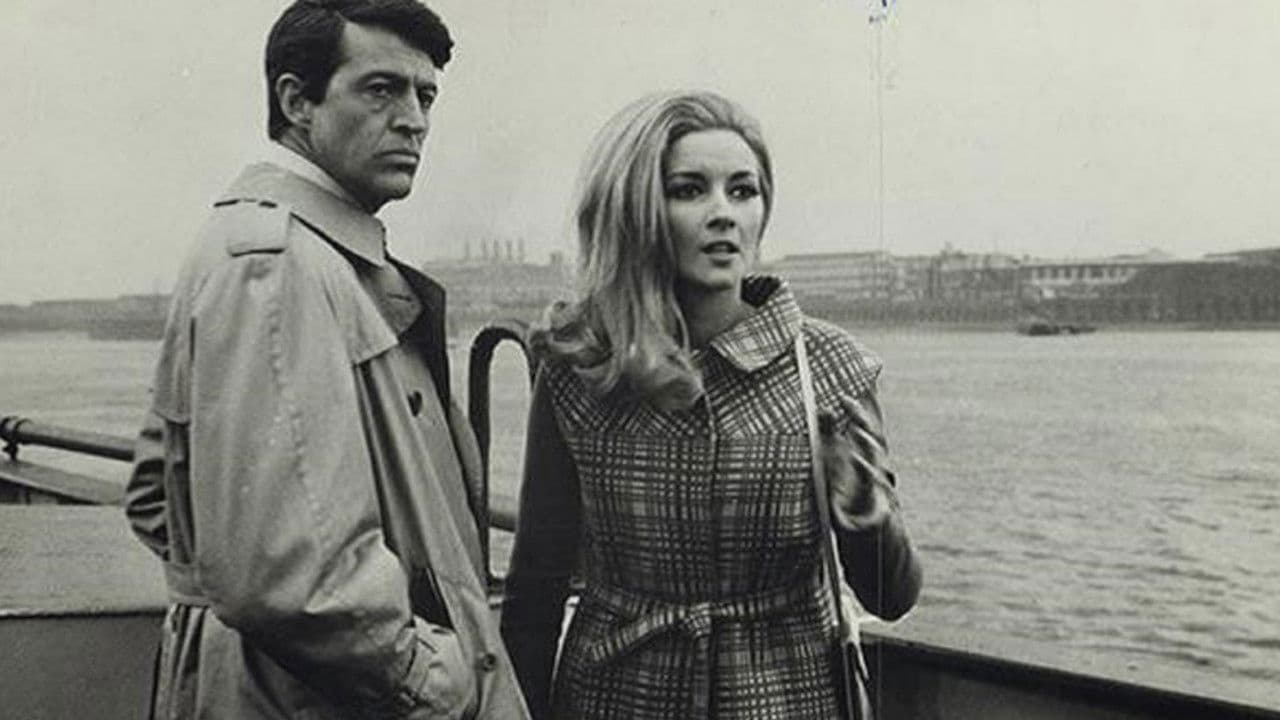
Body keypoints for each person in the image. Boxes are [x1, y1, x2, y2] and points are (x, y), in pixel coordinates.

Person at [123, 1, 529, 718]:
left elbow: (156, 494)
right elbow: (290, 577)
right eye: (381, 90)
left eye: (425, 96)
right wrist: (437, 677)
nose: (414, 120)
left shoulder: (296, 252)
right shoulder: (278, 266)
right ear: (296, 101)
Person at [500, 90, 923, 720]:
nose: (724, 213)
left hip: (787, 701)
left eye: (743, 191)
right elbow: (535, 589)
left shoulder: (829, 367)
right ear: (636, 209)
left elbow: (892, 598)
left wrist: (866, 513)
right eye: (690, 190)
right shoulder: (580, 366)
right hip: (614, 699)